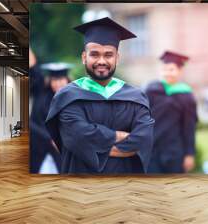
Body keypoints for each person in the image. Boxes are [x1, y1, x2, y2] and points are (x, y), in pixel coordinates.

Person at [45, 17, 154, 174]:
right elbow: (76, 137)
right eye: (94, 54)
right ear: (84, 57)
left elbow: (143, 140)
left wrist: (95, 142)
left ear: (117, 58)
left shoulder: (136, 97)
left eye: (108, 55)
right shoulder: (67, 97)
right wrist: (121, 137)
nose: (101, 61)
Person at [145, 51, 198, 173]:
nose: (167, 73)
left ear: (180, 71)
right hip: (152, 149)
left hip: (175, 151)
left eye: (171, 69)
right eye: (164, 69)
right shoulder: (151, 90)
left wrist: (189, 154)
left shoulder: (186, 95)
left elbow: (189, 127)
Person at [29, 60, 71, 174]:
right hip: (38, 145)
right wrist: (49, 138)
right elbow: (32, 123)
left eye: (61, 79)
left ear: (67, 80)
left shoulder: (73, 100)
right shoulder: (41, 93)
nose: (58, 83)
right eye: (54, 80)